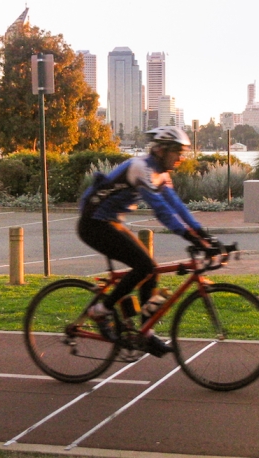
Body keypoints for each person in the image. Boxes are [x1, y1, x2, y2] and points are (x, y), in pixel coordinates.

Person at [77, 126, 211, 357]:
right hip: (93, 223)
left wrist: (201, 233)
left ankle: (145, 332)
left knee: (152, 270)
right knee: (144, 266)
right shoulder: (141, 168)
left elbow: (177, 206)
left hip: (110, 221)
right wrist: (188, 236)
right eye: (177, 152)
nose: (180, 158)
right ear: (161, 150)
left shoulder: (161, 174)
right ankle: (101, 310)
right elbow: (162, 211)